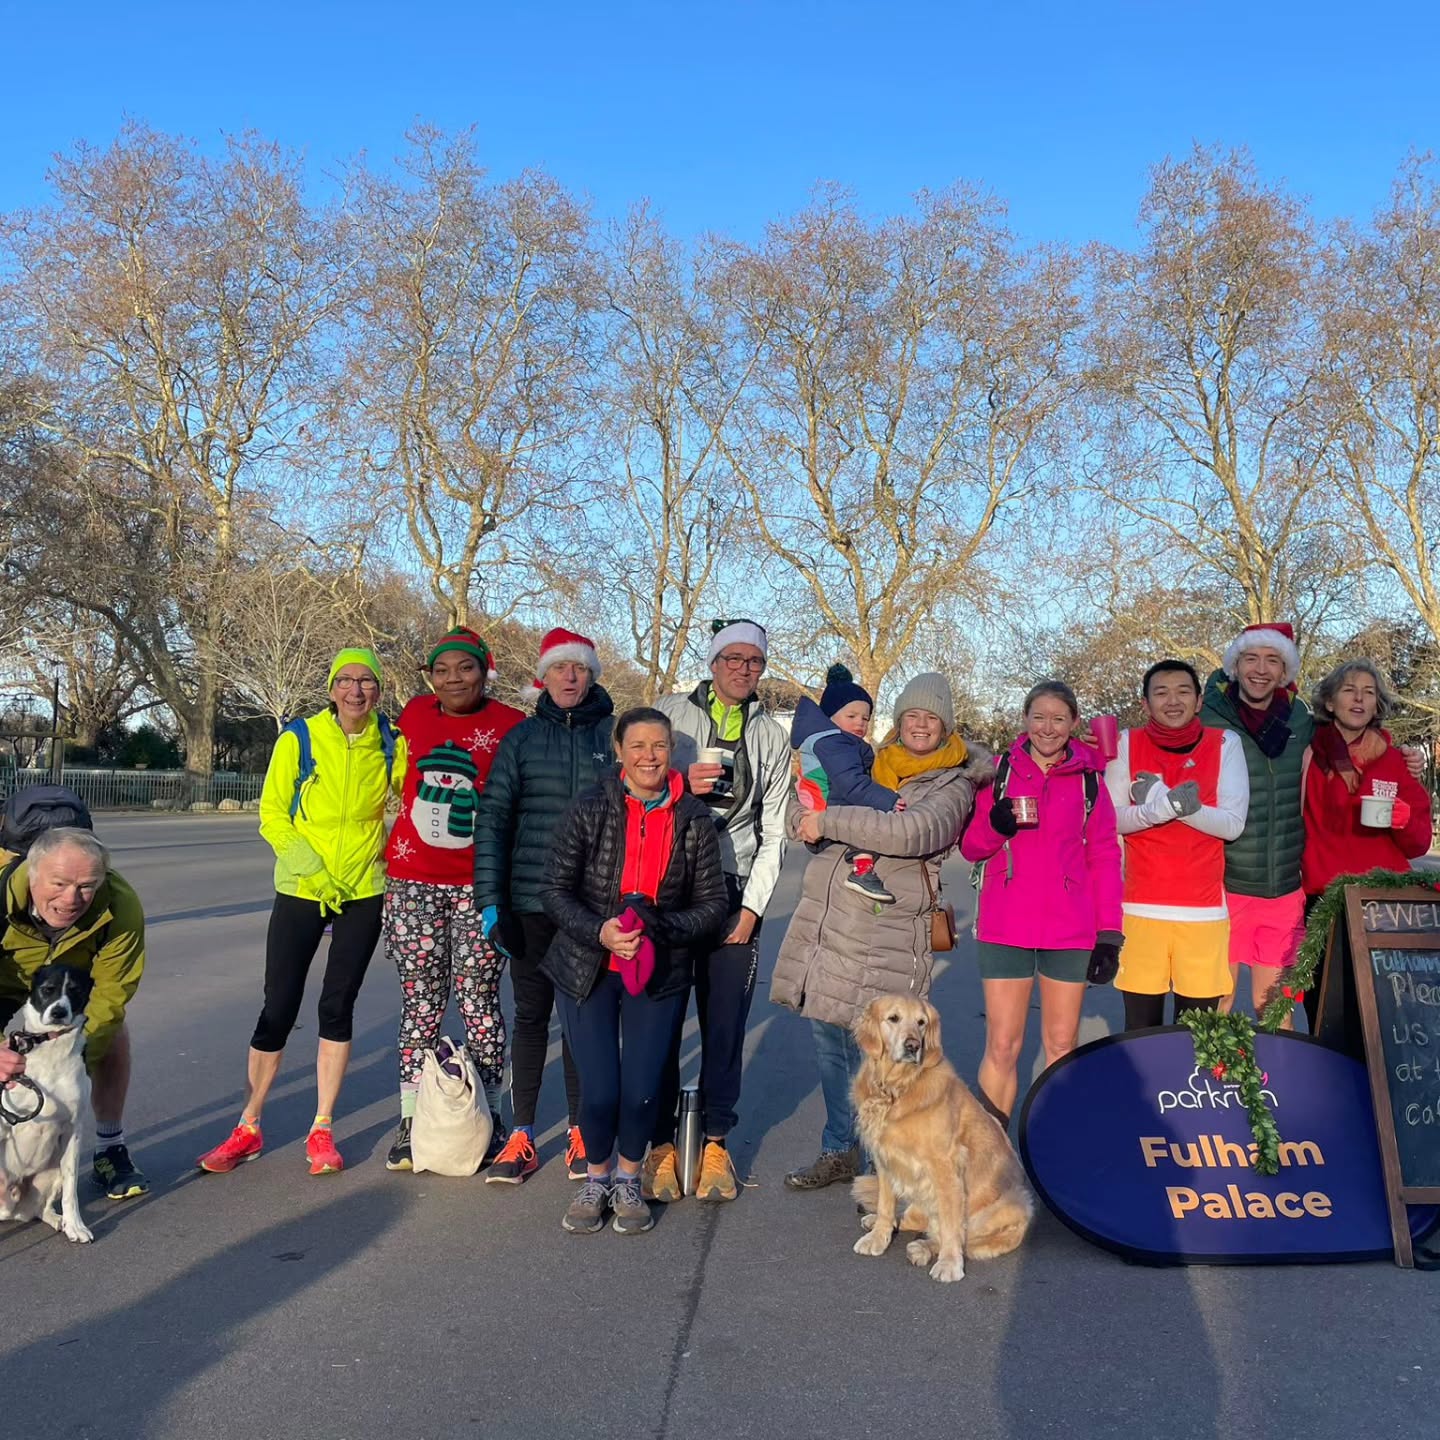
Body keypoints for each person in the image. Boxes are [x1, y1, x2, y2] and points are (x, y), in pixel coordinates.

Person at [772, 672, 989, 1189]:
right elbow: (800, 808)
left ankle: (886, 1167)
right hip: (832, 927)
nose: (919, 725)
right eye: (911, 715)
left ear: (945, 725)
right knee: (831, 1046)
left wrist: (825, 822)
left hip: (888, 933)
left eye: (931, 717)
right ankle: (841, 1149)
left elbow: (911, 832)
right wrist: (802, 815)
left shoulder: (953, 781)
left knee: (887, 1058)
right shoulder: (868, 762)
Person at [198, 647, 397, 1177]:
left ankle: (322, 1128)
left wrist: (388, 850)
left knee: (337, 1006)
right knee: (279, 1006)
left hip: (362, 889)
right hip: (303, 885)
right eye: (346, 680)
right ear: (331, 688)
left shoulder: (391, 742)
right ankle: (248, 1125)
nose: (357, 691)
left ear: (379, 689)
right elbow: (272, 815)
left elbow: (412, 802)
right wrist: (316, 870)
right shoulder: (300, 738)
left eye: (367, 681)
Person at [541, 707, 728, 1235]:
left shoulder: (691, 817)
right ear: (619, 750)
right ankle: (595, 1178)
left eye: (660, 746)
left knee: (643, 1087)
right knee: (599, 1088)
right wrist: (600, 930)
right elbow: (553, 890)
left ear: (672, 752)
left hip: (659, 967)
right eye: (639, 745)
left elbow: (712, 904)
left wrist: (660, 926)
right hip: (587, 963)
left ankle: (628, 1177)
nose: (650, 756)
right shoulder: (590, 807)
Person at [643, 618, 790, 1204]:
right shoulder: (670, 714)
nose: (742, 668)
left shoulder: (771, 735)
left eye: (753, 661)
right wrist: (681, 784)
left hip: (733, 887)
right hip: (670, 885)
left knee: (724, 1023)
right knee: (659, 1019)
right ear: (712, 661)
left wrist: (753, 908)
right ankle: (658, 1142)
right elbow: (635, 786)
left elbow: (777, 829)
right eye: (731, 657)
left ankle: (716, 1144)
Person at [473, 627, 616, 1184]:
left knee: (581, 1019)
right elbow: (494, 821)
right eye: (560, 668)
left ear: (591, 674)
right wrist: (492, 901)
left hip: (589, 906)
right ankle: (523, 1133)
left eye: (579, 669)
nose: (570, 677)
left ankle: (583, 1129)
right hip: (530, 903)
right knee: (531, 1017)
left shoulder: (612, 734)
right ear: (545, 675)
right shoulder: (523, 739)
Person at [382, 626, 525, 1172]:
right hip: (413, 880)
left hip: (479, 884)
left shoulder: (512, 725)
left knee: (479, 1001)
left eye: (464, 667)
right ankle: (413, 1117)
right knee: (420, 1001)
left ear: (485, 670)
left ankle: (488, 1114)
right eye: (441, 670)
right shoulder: (414, 715)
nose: (453, 679)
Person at [960, 680, 1122, 1124]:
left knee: (1061, 1044)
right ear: (1025, 719)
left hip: (1070, 927)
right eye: (1039, 717)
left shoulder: (1090, 780)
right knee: (1002, 1045)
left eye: (1058, 719)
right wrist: (995, 826)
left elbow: (1105, 856)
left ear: (1073, 723)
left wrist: (1110, 934)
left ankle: (1055, 1153)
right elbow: (971, 849)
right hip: (1006, 923)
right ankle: (989, 1159)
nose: (1047, 728)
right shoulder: (996, 774)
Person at [0, 827, 147, 1198]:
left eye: (86, 885)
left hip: (68, 979)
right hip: (4, 978)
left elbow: (111, 994)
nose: (71, 898)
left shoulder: (120, 904)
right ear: (32, 874)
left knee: (111, 1028)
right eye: (60, 883)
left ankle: (110, 1148)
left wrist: (75, 1063)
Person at [1105, 659, 1249, 1030]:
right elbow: (1112, 818)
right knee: (1141, 1032)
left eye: (1183, 691)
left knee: (1197, 1037)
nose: (1173, 700)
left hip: (1202, 913)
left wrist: (1159, 798)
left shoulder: (1226, 743)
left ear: (1199, 700)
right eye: (1161, 692)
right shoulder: (1126, 742)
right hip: (1139, 909)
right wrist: (1163, 807)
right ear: (1145, 703)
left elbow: (1231, 825)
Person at [1300, 658, 1432, 1033]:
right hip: (1323, 898)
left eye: (1368, 692)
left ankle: (1380, 1089)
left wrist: (1404, 819)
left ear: (1377, 705)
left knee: (1385, 1013)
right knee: (1325, 1009)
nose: (1358, 699)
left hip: (1384, 904)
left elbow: (1419, 843)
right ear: (1329, 702)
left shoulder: (1395, 762)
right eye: (1348, 690)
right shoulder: (1308, 754)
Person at [1201, 623, 1313, 1028]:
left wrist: (1401, 753)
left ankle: (1281, 1087)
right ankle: (1206, 1089)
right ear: (1236, 664)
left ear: (1285, 671)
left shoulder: (1300, 716)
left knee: (1275, 1010)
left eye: (1273, 660)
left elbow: (1350, 742)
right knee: (1218, 1004)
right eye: (1251, 658)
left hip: (1282, 885)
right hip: (1224, 884)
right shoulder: (1208, 715)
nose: (1261, 669)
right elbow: (1157, 742)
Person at [792, 663, 899, 904]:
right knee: (869, 819)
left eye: (865, 718)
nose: (860, 723)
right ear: (830, 717)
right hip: (828, 805)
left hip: (822, 807)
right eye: (851, 716)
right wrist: (890, 800)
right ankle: (862, 870)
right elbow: (851, 783)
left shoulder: (834, 741)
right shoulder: (833, 743)